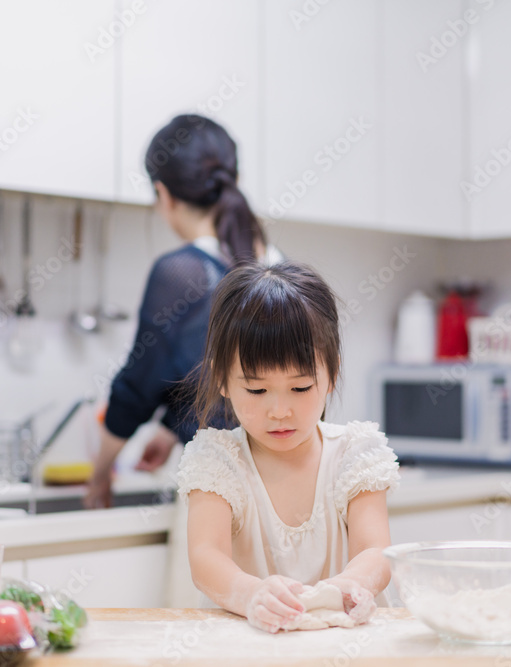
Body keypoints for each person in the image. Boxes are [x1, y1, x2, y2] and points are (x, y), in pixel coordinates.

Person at [176, 261, 400, 633]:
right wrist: (251, 595)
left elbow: (375, 551)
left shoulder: (353, 454)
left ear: (332, 374)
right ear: (222, 380)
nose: (280, 411)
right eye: (257, 390)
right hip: (250, 648)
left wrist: (350, 585)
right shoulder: (217, 460)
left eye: (300, 388)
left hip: (342, 646)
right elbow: (206, 556)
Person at [85, 114, 282, 509]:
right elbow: (235, 388)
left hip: (220, 499)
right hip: (288, 490)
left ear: (164, 194)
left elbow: (137, 389)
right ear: (234, 180)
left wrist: (101, 472)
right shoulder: (282, 271)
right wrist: (173, 429)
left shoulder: (184, 273)